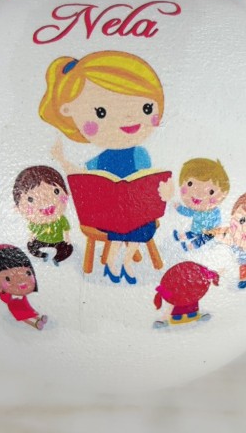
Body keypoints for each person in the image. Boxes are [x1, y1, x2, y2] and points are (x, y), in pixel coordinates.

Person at [40, 50, 170, 285]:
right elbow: (82, 178)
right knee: (121, 228)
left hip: (136, 213)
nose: (128, 118)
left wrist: (164, 192)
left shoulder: (140, 154)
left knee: (140, 228)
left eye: (146, 108)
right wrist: (62, 159)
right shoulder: (98, 161)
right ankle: (112, 262)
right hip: (107, 216)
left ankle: (125, 261)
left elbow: (148, 183)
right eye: (102, 112)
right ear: (69, 111)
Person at [13, 165, 73, 264]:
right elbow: (32, 232)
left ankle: (57, 258)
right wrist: (31, 237)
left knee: (68, 248)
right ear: (18, 207)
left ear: (67, 193)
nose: (45, 201)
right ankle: (43, 255)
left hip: (58, 241)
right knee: (31, 246)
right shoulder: (36, 222)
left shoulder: (60, 219)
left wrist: (67, 238)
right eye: (30, 199)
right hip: (40, 241)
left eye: (56, 191)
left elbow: (66, 229)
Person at [0, 245, 47, 329]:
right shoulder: (6, 294)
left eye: (27, 273)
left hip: (23, 305)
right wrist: (1, 292)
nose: (20, 280)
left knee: (29, 313)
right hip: (15, 308)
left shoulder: (22, 294)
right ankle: (35, 324)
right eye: (8, 278)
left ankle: (39, 319)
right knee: (24, 317)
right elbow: (6, 300)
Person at [172, 157, 230, 251]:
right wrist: (179, 208)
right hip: (196, 228)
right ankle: (179, 237)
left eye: (211, 192)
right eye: (190, 184)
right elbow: (188, 212)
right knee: (191, 234)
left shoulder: (215, 211)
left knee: (199, 240)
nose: (199, 194)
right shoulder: (197, 211)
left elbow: (218, 222)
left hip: (209, 232)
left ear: (223, 194)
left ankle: (189, 247)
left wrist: (214, 230)